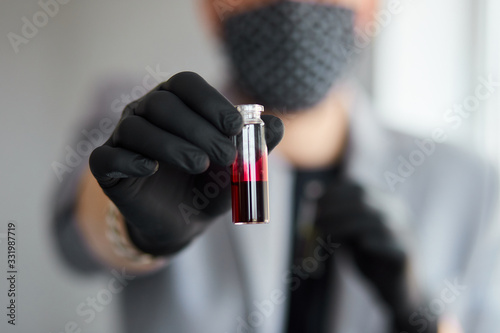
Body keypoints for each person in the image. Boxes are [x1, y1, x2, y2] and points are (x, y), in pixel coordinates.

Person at [52, 0, 496, 332]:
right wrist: (132, 230)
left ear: (370, 7)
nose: (293, 8)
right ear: (212, 9)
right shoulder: (146, 122)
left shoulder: (470, 183)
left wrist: (422, 318)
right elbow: (74, 237)